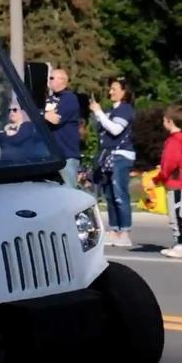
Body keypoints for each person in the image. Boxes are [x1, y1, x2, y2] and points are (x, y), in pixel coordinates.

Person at [90, 77, 136, 248]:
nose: (111, 91)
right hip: (107, 156)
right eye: (110, 88)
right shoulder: (112, 110)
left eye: (115, 88)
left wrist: (99, 112)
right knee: (109, 195)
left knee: (119, 194)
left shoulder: (125, 109)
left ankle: (125, 232)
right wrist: (99, 114)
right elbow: (103, 128)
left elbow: (116, 129)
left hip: (120, 156)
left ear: (124, 92)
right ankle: (114, 230)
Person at [154, 105, 182, 258]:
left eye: (164, 120)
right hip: (175, 182)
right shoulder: (177, 140)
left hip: (176, 182)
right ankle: (178, 242)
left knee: (177, 214)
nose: (163, 123)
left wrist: (160, 176)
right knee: (175, 213)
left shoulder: (173, 141)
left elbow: (171, 163)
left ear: (169, 121)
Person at [43, 68, 83, 189]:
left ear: (62, 80)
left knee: (69, 191)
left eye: (51, 78)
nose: (48, 81)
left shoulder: (69, 98)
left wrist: (41, 114)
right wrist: (44, 114)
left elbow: (56, 119)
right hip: (51, 155)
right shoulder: (49, 99)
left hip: (67, 155)